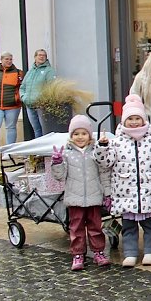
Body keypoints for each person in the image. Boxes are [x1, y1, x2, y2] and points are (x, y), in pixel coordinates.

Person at [95, 94, 151, 267]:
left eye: (137, 118)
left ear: (143, 120)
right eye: (130, 119)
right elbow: (106, 163)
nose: (134, 122)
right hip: (125, 192)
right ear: (124, 121)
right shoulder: (116, 142)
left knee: (149, 225)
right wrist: (102, 148)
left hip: (147, 192)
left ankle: (150, 251)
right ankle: (130, 253)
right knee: (129, 226)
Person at [50, 115, 112, 271]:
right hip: (74, 198)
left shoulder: (95, 152)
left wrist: (107, 193)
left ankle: (98, 252)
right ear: (71, 136)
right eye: (76, 134)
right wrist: (57, 163)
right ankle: (78, 254)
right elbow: (60, 176)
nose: (80, 137)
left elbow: (104, 171)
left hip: (93, 197)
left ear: (89, 135)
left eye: (83, 133)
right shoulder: (67, 153)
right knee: (76, 228)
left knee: (95, 227)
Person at [0, 52, 23, 161]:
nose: (9, 61)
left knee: (11, 127)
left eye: (11, 59)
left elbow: (21, 87)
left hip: (12, 106)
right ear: (1, 60)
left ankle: (8, 151)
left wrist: (17, 98)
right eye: (6, 59)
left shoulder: (18, 73)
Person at [19, 49, 55, 138]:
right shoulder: (30, 71)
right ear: (35, 57)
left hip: (41, 105)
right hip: (29, 105)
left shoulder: (49, 71)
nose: (42, 57)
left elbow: (51, 87)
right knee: (36, 130)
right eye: (39, 55)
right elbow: (23, 86)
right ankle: (38, 150)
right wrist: (24, 97)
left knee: (45, 129)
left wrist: (43, 100)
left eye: (44, 55)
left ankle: (45, 150)